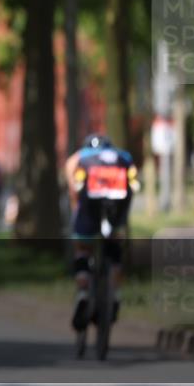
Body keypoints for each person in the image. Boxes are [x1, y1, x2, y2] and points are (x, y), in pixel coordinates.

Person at [64, 133, 140, 331]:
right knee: (115, 251)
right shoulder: (121, 156)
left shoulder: (81, 156)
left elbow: (74, 189)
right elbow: (133, 186)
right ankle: (114, 295)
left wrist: (76, 210)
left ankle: (82, 292)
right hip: (116, 206)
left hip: (90, 204)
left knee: (83, 248)